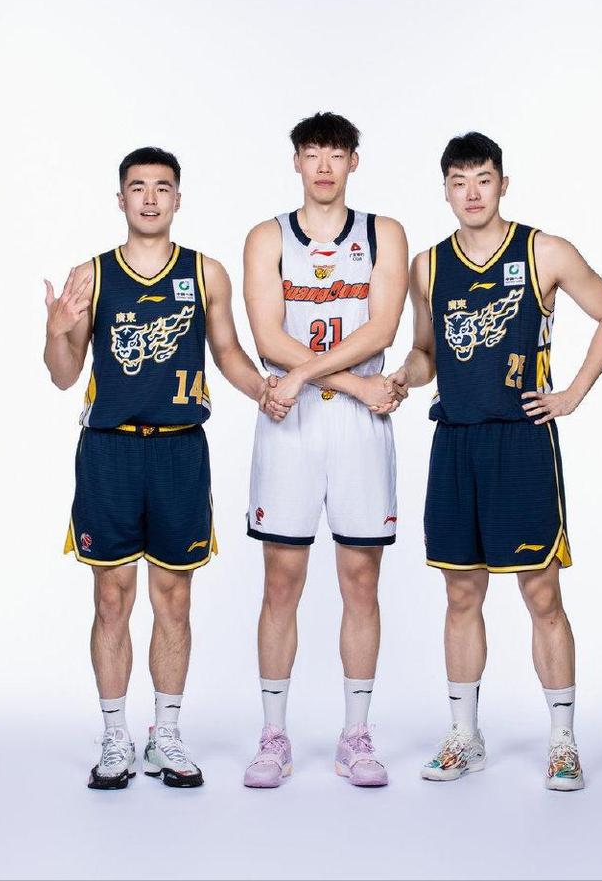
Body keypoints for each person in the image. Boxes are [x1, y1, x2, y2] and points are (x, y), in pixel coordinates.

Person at [389, 131, 602, 791]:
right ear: (445, 189)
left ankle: (563, 741)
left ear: (503, 184)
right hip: (455, 441)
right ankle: (465, 736)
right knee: (461, 592)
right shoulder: (427, 266)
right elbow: (427, 353)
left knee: (541, 591)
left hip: (521, 442)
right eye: (459, 181)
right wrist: (404, 377)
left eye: (483, 179)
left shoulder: (544, 251)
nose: (472, 192)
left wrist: (571, 394)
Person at [44, 147, 280, 789]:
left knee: (174, 597)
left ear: (178, 198)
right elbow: (64, 376)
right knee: (111, 596)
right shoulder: (91, 275)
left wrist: (263, 390)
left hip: (179, 450)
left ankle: (166, 735)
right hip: (111, 450)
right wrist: (58, 331)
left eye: (162, 187)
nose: (150, 198)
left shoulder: (205, 272)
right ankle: (115, 737)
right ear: (120, 198)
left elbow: (227, 352)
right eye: (138, 187)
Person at [242, 112, 408, 788]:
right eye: (311, 154)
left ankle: (355, 735)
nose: (323, 166)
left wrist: (311, 375)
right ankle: (273, 735)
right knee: (281, 581)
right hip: (293, 422)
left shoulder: (383, 232)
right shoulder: (267, 237)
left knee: (360, 580)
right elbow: (267, 336)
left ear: (353, 162)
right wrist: (352, 385)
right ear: (295, 161)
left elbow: (382, 328)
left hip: (356, 430)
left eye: (335, 154)